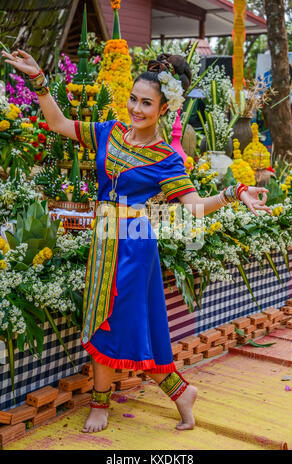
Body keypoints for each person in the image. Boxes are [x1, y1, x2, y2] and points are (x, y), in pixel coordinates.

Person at [2, 49, 272, 434]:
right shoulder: (110, 131)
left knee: (114, 324)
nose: (136, 108)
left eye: (147, 103)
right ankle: (180, 393)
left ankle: (101, 403)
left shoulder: (166, 159)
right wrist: (39, 81)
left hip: (132, 244)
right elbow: (59, 123)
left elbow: (193, 206)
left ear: (164, 109)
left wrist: (235, 193)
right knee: (119, 322)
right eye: (133, 98)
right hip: (103, 241)